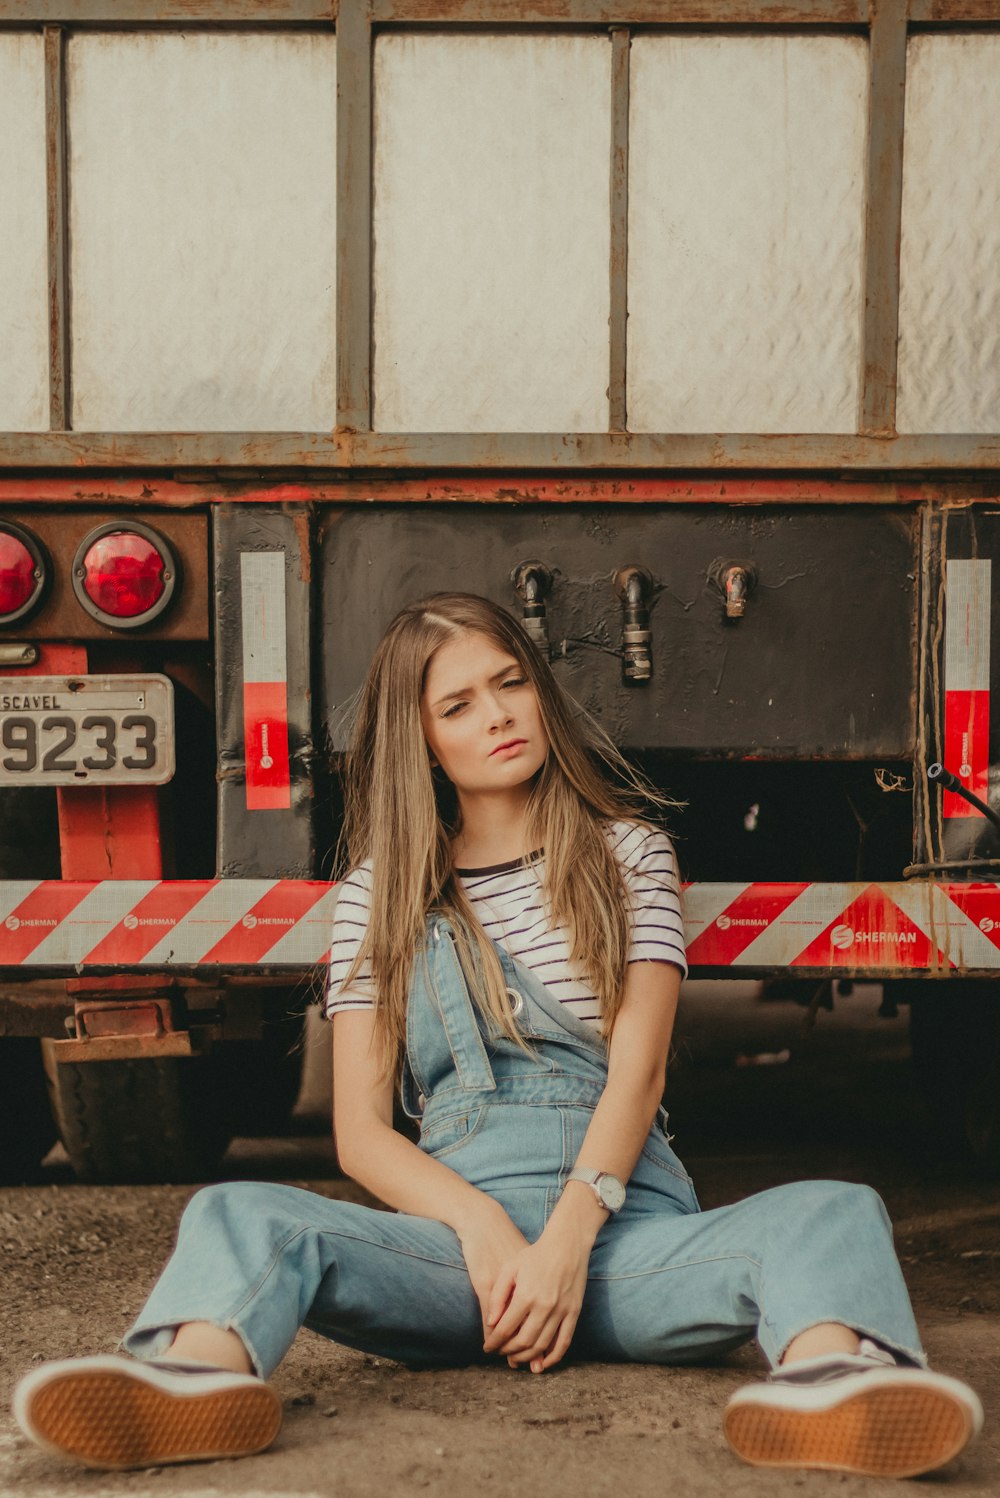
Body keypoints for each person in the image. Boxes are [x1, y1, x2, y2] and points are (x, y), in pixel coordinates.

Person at [14, 592, 982, 1477]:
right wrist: (481, 1233)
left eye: (510, 683)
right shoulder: (378, 895)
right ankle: (198, 1376)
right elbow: (361, 1135)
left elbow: (637, 1076)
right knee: (239, 1215)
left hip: (621, 1246)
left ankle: (827, 1383)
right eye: (461, 705)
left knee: (832, 1211)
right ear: (423, 738)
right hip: (452, 1264)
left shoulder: (627, 849)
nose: (499, 715)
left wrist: (563, 1243)